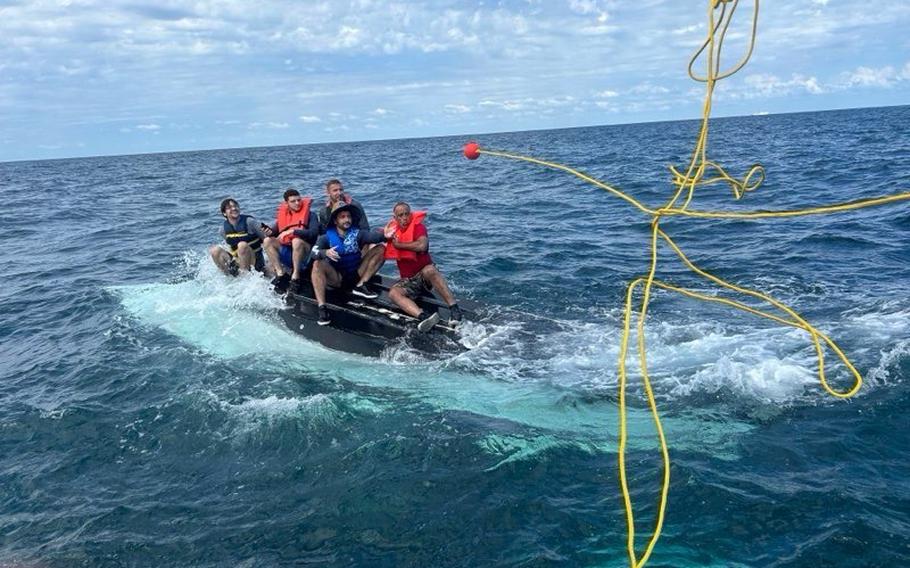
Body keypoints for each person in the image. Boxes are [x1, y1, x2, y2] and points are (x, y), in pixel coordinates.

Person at [384, 201, 463, 331]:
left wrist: (399, 246)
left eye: (406, 214)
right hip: (408, 281)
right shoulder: (392, 232)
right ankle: (423, 316)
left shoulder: (419, 227)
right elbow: (374, 238)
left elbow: (422, 246)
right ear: (395, 218)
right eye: (400, 215)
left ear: (411, 214)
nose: (404, 218)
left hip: (424, 276)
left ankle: (454, 309)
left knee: (430, 269)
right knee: (393, 294)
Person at [310, 203, 388, 326]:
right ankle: (322, 308)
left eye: (349, 216)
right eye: (343, 217)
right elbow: (313, 252)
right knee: (317, 265)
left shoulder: (358, 234)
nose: (347, 220)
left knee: (381, 249)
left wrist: (385, 235)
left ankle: (361, 285)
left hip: (356, 273)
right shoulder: (326, 238)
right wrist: (325, 252)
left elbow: (372, 236)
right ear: (335, 221)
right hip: (337, 278)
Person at [263, 188, 319, 293]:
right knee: (267, 241)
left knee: (296, 241)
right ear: (287, 203)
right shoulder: (285, 217)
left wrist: (293, 231)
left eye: (299, 200)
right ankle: (280, 274)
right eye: (293, 201)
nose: (297, 203)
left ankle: (295, 277)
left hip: (306, 256)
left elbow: (313, 233)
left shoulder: (311, 215)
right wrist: (269, 232)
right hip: (289, 254)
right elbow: (274, 232)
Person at [209, 198, 272, 276]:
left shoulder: (250, 222)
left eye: (235, 206)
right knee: (214, 250)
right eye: (229, 208)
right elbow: (232, 247)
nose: (234, 208)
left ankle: (244, 278)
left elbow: (266, 240)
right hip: (239, 261)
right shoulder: (223, 230)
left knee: (242, 245)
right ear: (224, 213)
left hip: (255, 261)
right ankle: (228, 277)